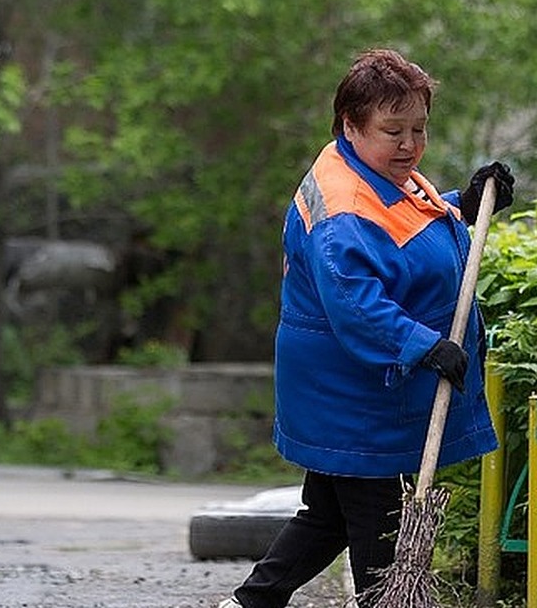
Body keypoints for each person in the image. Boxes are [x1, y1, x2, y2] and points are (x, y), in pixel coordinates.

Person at [219, 48, 515, 608]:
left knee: (327, 516)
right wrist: (425, 346)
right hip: (352, 396)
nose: (409, 145)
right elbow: (357, 302)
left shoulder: (371, 173)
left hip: (352, 391)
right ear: (351, 126)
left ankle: (250, 602)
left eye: (419, 130)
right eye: (393, 131)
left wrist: (463, 205)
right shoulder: (344, 209)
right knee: (378, 527)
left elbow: (404, 234)